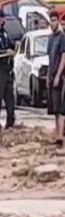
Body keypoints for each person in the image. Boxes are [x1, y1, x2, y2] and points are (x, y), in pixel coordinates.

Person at [46, 9, 65, 144]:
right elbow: (49, 58)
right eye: (50, 21)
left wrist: (58, 75)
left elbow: (64, 56)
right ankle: (57, 134)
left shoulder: (62, 36)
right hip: (52, 75)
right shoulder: (51, 38)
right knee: (54, 107)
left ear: (58, 21)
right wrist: (48, 75)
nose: (52, 23)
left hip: (61, 76)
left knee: (61, 107)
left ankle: (60, 135)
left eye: (54, 21)